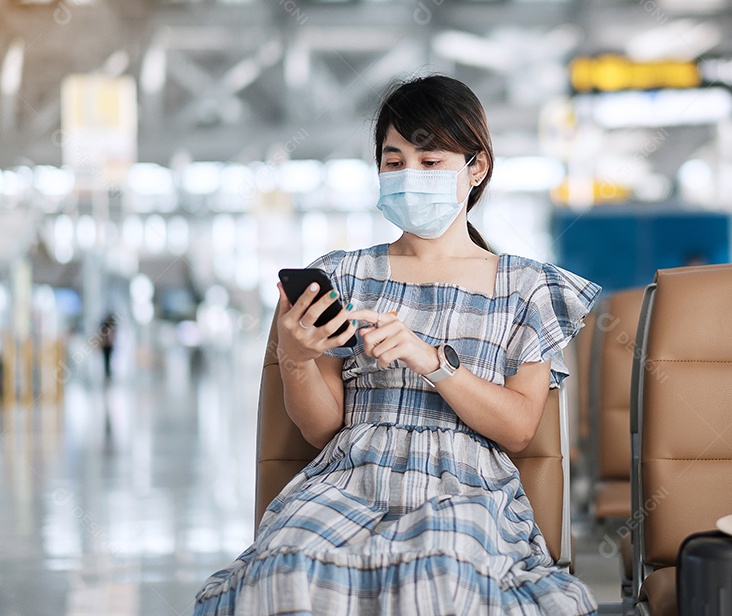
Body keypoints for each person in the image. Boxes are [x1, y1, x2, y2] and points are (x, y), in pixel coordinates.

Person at [194, 75, 601, 615]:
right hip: (347, 479)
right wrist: (295, 357)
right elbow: (320, 428)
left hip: (465, 487)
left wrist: (430, 360)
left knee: (439, 574)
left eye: (431, 163)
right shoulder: (343, 274)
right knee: (287, 567)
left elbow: (520, 428)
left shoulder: (528, 287)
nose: (410, 176)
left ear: (475, 168)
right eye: (394, 161)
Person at [98, 313, 117, 382]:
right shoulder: (106, 329)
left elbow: (112, 337)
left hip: (109, 346)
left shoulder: (110, 328)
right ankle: (107, 373)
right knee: (106, 360)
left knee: (108, 359)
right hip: (106, 346)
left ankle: (108, 373)